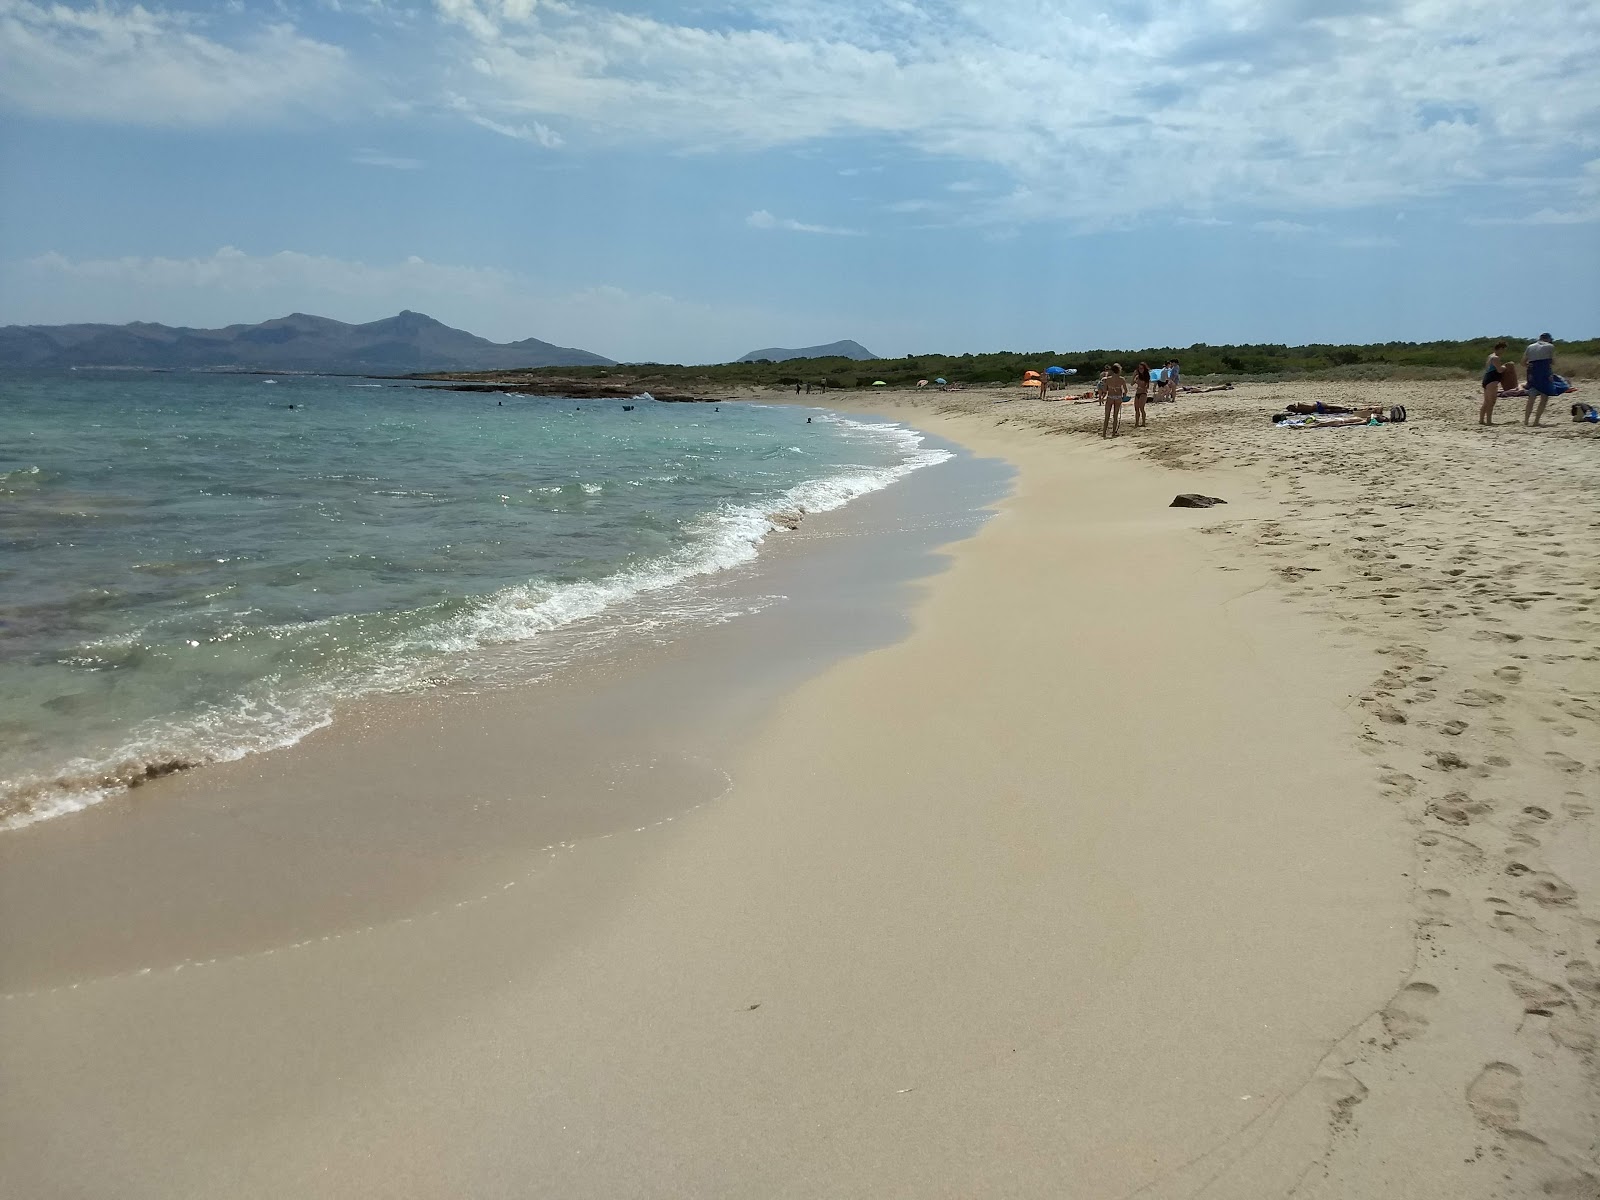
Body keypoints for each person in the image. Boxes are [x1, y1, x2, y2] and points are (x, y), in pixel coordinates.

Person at [1524, 333, 1556, 426]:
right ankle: (1536, 421)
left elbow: (1523, 362)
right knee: (1544, 397)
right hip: (1544, 373)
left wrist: (1530, 366)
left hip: (1533, 373)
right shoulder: (1550, 346)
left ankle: (1526, 421)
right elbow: (1553, 362)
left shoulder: (1530, 347)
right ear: (1548, 339)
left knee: (1531, 398)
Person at [1480, 341, 1508, 425]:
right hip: (1492, 380)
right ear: (1500, 349)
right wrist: (1505, 367)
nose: (1503, 352)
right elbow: (1499, 370)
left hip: (1487, 379)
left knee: (1486, 401)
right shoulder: (1495, 358)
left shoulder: (1490, 356)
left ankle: (1481, 420)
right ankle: (1489, 421)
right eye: (1503, 350)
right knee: (1491, 402)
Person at [1101, 363, 1128, 438]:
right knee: (1115, 416)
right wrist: (1124, 395)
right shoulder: (1122, 379)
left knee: (1107, 416)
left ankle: (1104, 433)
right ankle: (1113, 432)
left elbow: (1104, 390)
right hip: (1118, 397)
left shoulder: (1108, 379)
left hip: (1110, 397)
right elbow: (1126, 390)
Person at [1133, 362, 1151, 428]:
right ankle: (1136, 423)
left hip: (1143, 393)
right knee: (1136, 409)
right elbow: (1132, 383)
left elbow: (1147, 386)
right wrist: (1134, 376)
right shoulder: (1137, 376)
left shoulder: (1146, 376)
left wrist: (1141, 386)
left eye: (1142, 368)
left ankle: (1143, 422)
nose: (1140, 370)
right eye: (1139, 368)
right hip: (1137, 393)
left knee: (1141, 408)